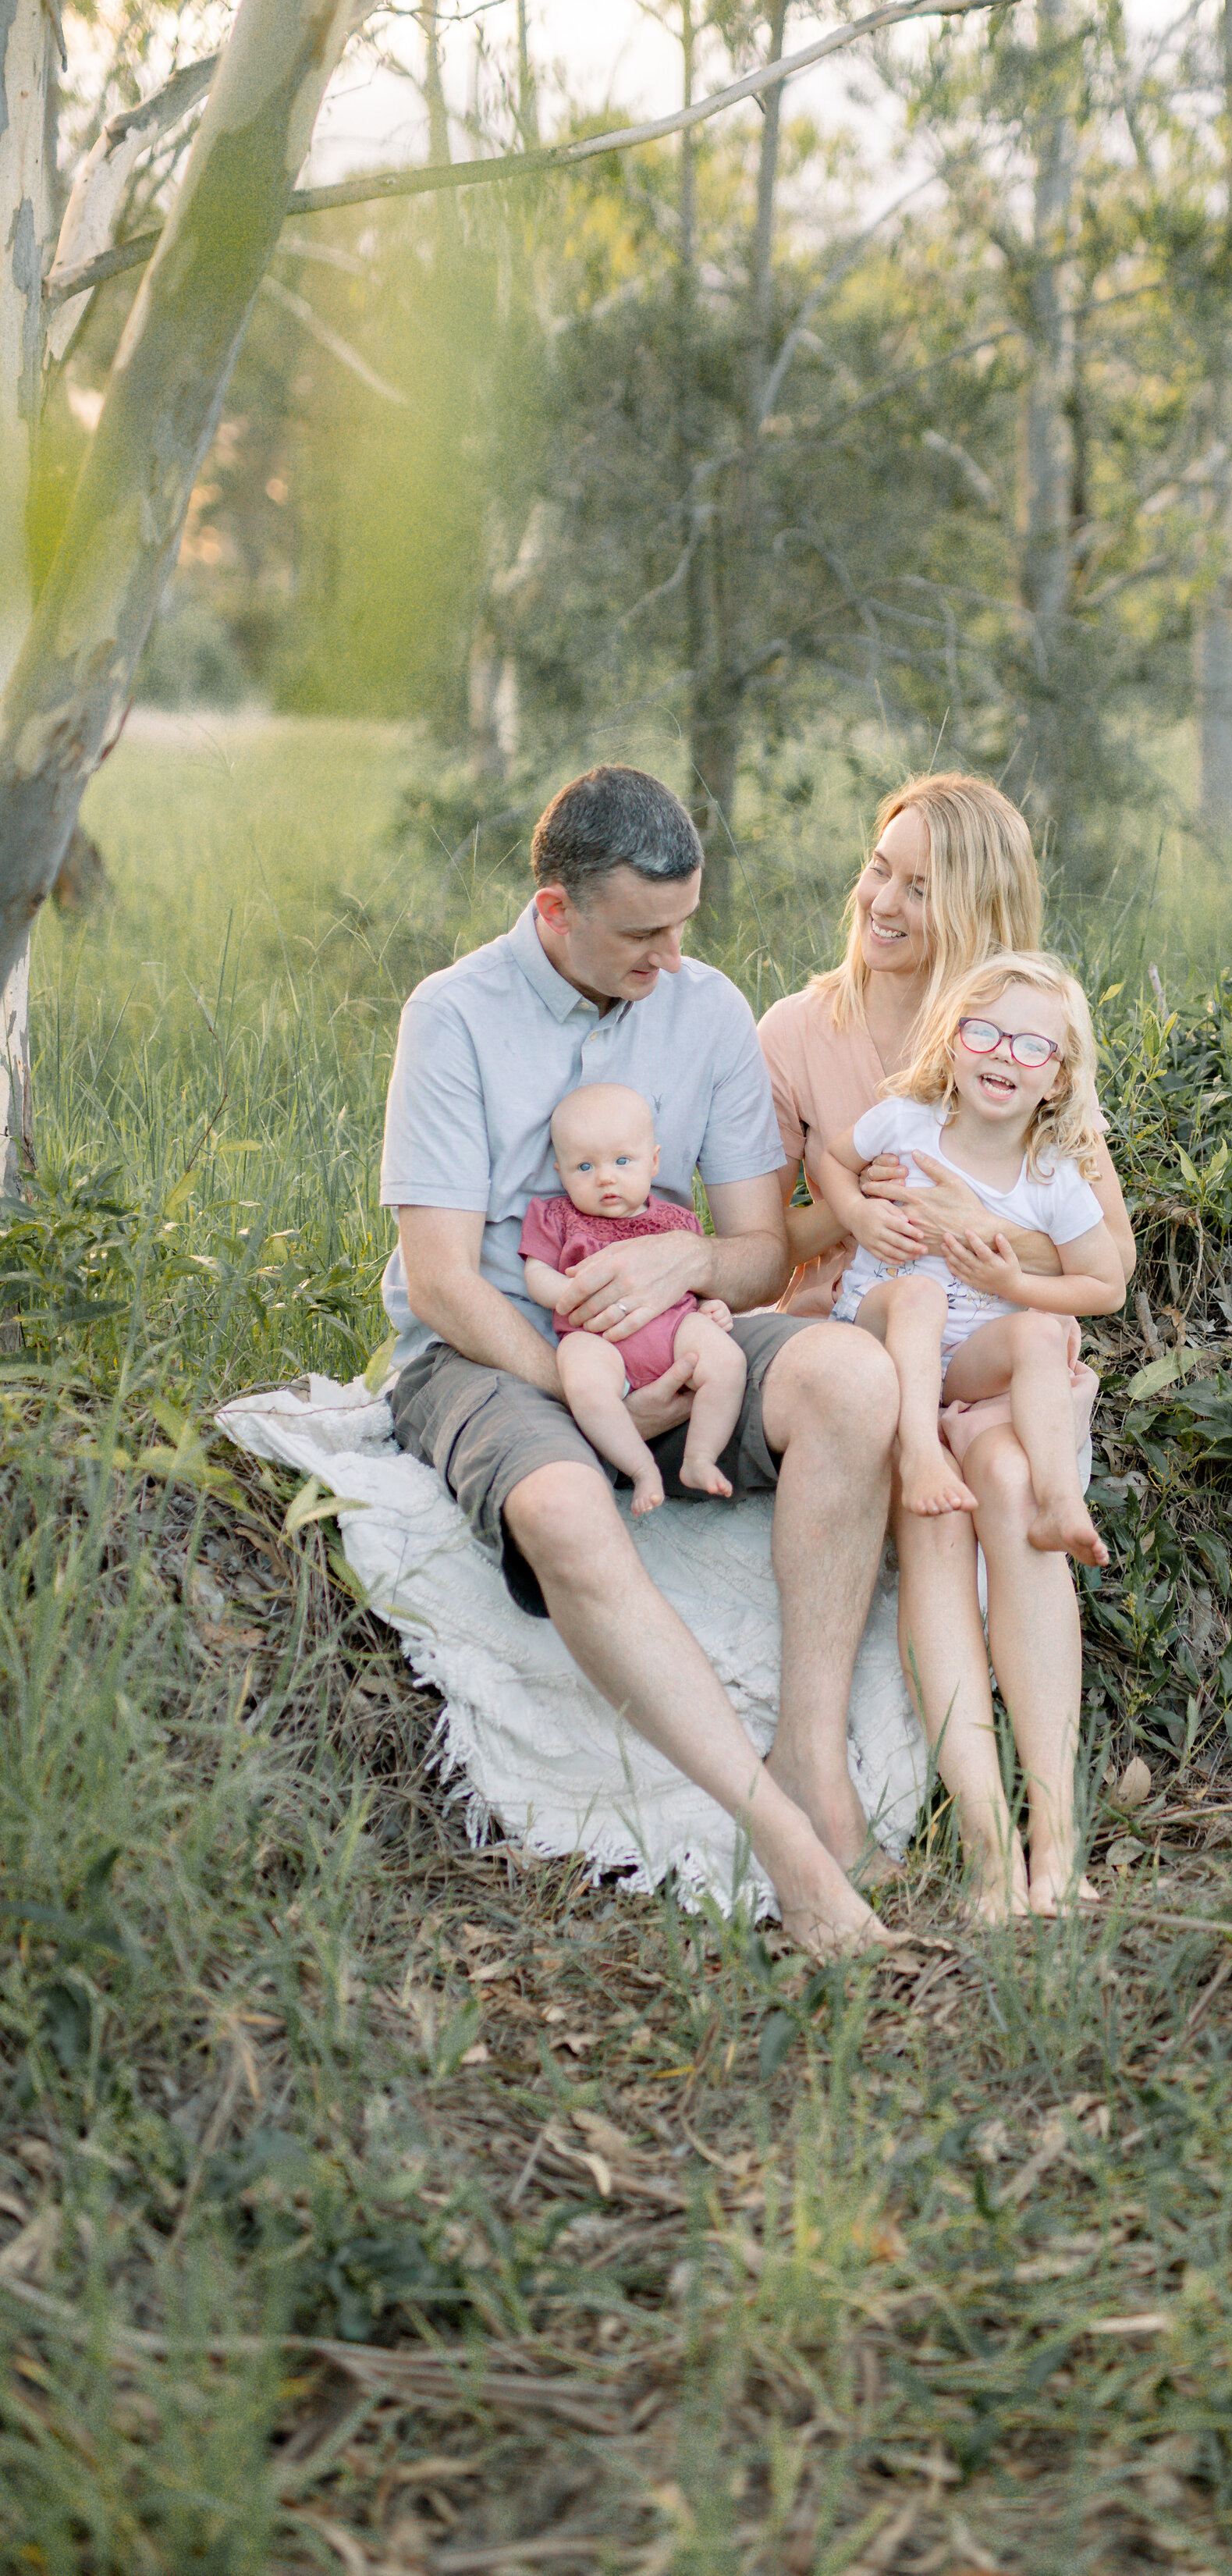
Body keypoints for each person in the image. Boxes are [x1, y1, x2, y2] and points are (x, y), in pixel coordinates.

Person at [380, 764, 902, 1960]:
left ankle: (812, 1756)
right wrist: (575, 1373)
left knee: (854, 1377)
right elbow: (450, 1279)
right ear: (556, 909)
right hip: (495, 1347)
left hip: (679, 1334)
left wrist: (684, 1271)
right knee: (562, 1502)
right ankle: (786, 1844)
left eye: (684, 927)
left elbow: (761, 1249)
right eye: (641, 934)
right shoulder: (453, 1016)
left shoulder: (705, 1006)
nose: (669, 957)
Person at [758, 775, 1138, 1922]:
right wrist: (855, 1211)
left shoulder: (1016, 1032)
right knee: (949, 1499)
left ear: (972, 904)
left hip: (992, 1336)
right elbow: (760, 1234)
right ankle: (985, 1834)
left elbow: (1096, 1238)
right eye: (880, 867)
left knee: (1018, 1477)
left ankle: (1051, 1835)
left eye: (920, 885)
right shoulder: (797, 1028)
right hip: (865, 1331)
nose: (882, 899)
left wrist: (977, 1234)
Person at [819, 954, 1124, 1567]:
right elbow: (831, 1162)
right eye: (983, 1032)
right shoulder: (906, 1122)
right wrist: (858, 1215)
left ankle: (1059, 1501)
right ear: (953, 1044)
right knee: (921, 1296)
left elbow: (1106, 1286)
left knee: (1040, 1331)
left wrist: (1015, 1281)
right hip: (878, 1328)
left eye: (1032, 1046)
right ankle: (919, 1451)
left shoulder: (1053, 1177)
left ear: (1059, 1080)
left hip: (965, 1359)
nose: (1004, 1053)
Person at [519, 1081, 747, 1513]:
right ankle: (640, 1467)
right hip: (595, 1335)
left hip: (672, 1328)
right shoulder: (557, 1217)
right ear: (560, 1171)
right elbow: (536, 1273)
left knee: (728, 1362)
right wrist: (570, 1292)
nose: (606, 1177)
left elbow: (693, 1282)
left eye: (623, 1161)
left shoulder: (675, 1222)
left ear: (654, 1162)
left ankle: (699, 1456)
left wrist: (709, 1306)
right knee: (584, 1387)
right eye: (584, 1167)